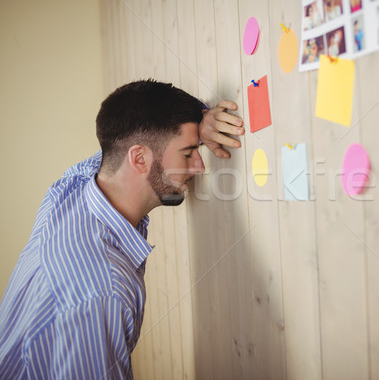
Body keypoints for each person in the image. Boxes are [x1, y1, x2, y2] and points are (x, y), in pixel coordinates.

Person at [0, 80, 244, 379]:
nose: (199, 167)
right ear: (139, 158)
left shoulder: (70, 189)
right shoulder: (103, 292)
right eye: (188, 153)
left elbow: (132, 118)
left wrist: (199, 117)